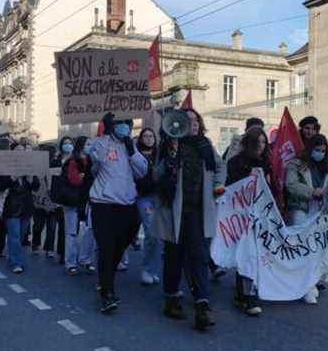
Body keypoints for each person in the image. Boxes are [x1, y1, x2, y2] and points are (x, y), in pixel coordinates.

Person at [154, 108, 226, 331]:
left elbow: (220, 167)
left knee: (200, 257)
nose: (193, 124)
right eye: (189, 121)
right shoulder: (168, 147)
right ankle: (172, 298)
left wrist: (217, 187)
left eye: (196, 120)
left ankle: (202, 305)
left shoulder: (205, 146)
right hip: (174, 212)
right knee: (174, 256)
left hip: (198, 211)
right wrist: (171, 157)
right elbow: (156, 175)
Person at [89, 114, 147, 313]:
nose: (124, 127)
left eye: (127, 123)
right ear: (112, 125)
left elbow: (142, 171)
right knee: (107, 246)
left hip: (127, 203)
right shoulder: (101, 143)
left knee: (121, 244)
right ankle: (107, 292)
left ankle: (107, 277)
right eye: (120, 123)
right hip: (103, 203)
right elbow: (96, 160)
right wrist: (107, 133)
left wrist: (132, 151)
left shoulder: (132, 147)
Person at [284, 133, 328, 304]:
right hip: (301, 208)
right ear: (310, 149)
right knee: (301, 247)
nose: (320, 153)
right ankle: (302, 285)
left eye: (323, 151)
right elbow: (291, 185)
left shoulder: (326, 167)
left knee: (315, 249)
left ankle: (309, 283)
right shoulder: (295, 164)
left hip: (319, 211)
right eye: (317, 150)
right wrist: (311, 192)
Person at [225, 127, 272, 316]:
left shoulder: (265, 162)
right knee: (247, 255)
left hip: (260, 214)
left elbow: (267, 188)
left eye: (263, 142)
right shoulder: (236, 162)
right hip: (242, 215)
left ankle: (244, 294)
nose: (261, 146)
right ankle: (248, 297)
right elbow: (231, 186)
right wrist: (248, 176)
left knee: (255, 255)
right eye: (257, 142)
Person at [0, 138, 39, 274]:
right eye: (17, 151)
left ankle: (13, 254)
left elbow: (36, 187)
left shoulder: (29, 167)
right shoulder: (3, 167)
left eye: (22, 151)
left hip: (26, 207)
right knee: (15, 235)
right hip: (11, 206)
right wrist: (12, 178)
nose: (20, 154)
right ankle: (16, 262)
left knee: (20, 235)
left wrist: (30, 179)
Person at [61, 136, 97, 276]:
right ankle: (70, 263)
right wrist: (84, 177)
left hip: (89, 200)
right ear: (81, 145)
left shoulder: (92, 160)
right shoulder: (72, 161)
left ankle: (85, 259)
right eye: (88, 143)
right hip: (72, 201)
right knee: (72, 233)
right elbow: (75, 180)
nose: (90, 146)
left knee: (90, 231)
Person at [135, 127, 163, 285]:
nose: (149, 138)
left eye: (151, 136)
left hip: (159, 196)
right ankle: (146, 269)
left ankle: (153, 270)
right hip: (144, 197)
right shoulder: (136, 154)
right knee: (151, 232)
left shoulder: (160, 154)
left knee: (159, 236)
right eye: (145, 136)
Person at [31, 144, 59, 258]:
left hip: (53, 200)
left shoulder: (57, 164)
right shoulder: (36, 166)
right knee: (38, 225)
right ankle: (36, 244)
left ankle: (49, 248)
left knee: (52, 226)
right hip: (40, 201)